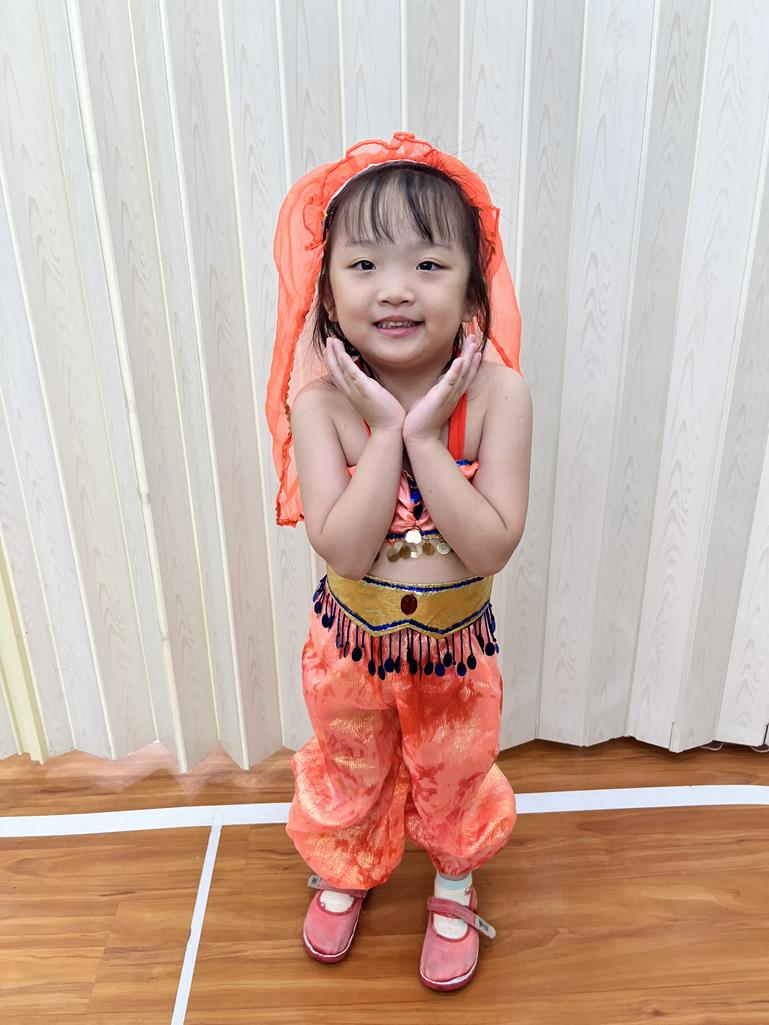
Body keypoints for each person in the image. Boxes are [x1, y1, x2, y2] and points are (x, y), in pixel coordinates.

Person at [265, 132, 532, 992]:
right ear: (326, 291)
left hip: (456, 655)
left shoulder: (499, 396)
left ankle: (452, 881)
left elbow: (490, 544)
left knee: (454, 770)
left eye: (428, 264)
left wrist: (423, 436)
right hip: (348, 648)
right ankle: (345, 862)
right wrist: (384, 430)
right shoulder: (320, 405)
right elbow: (343, 545)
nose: (395, 288)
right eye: (364, 264)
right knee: (351, 765)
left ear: (472, 289)